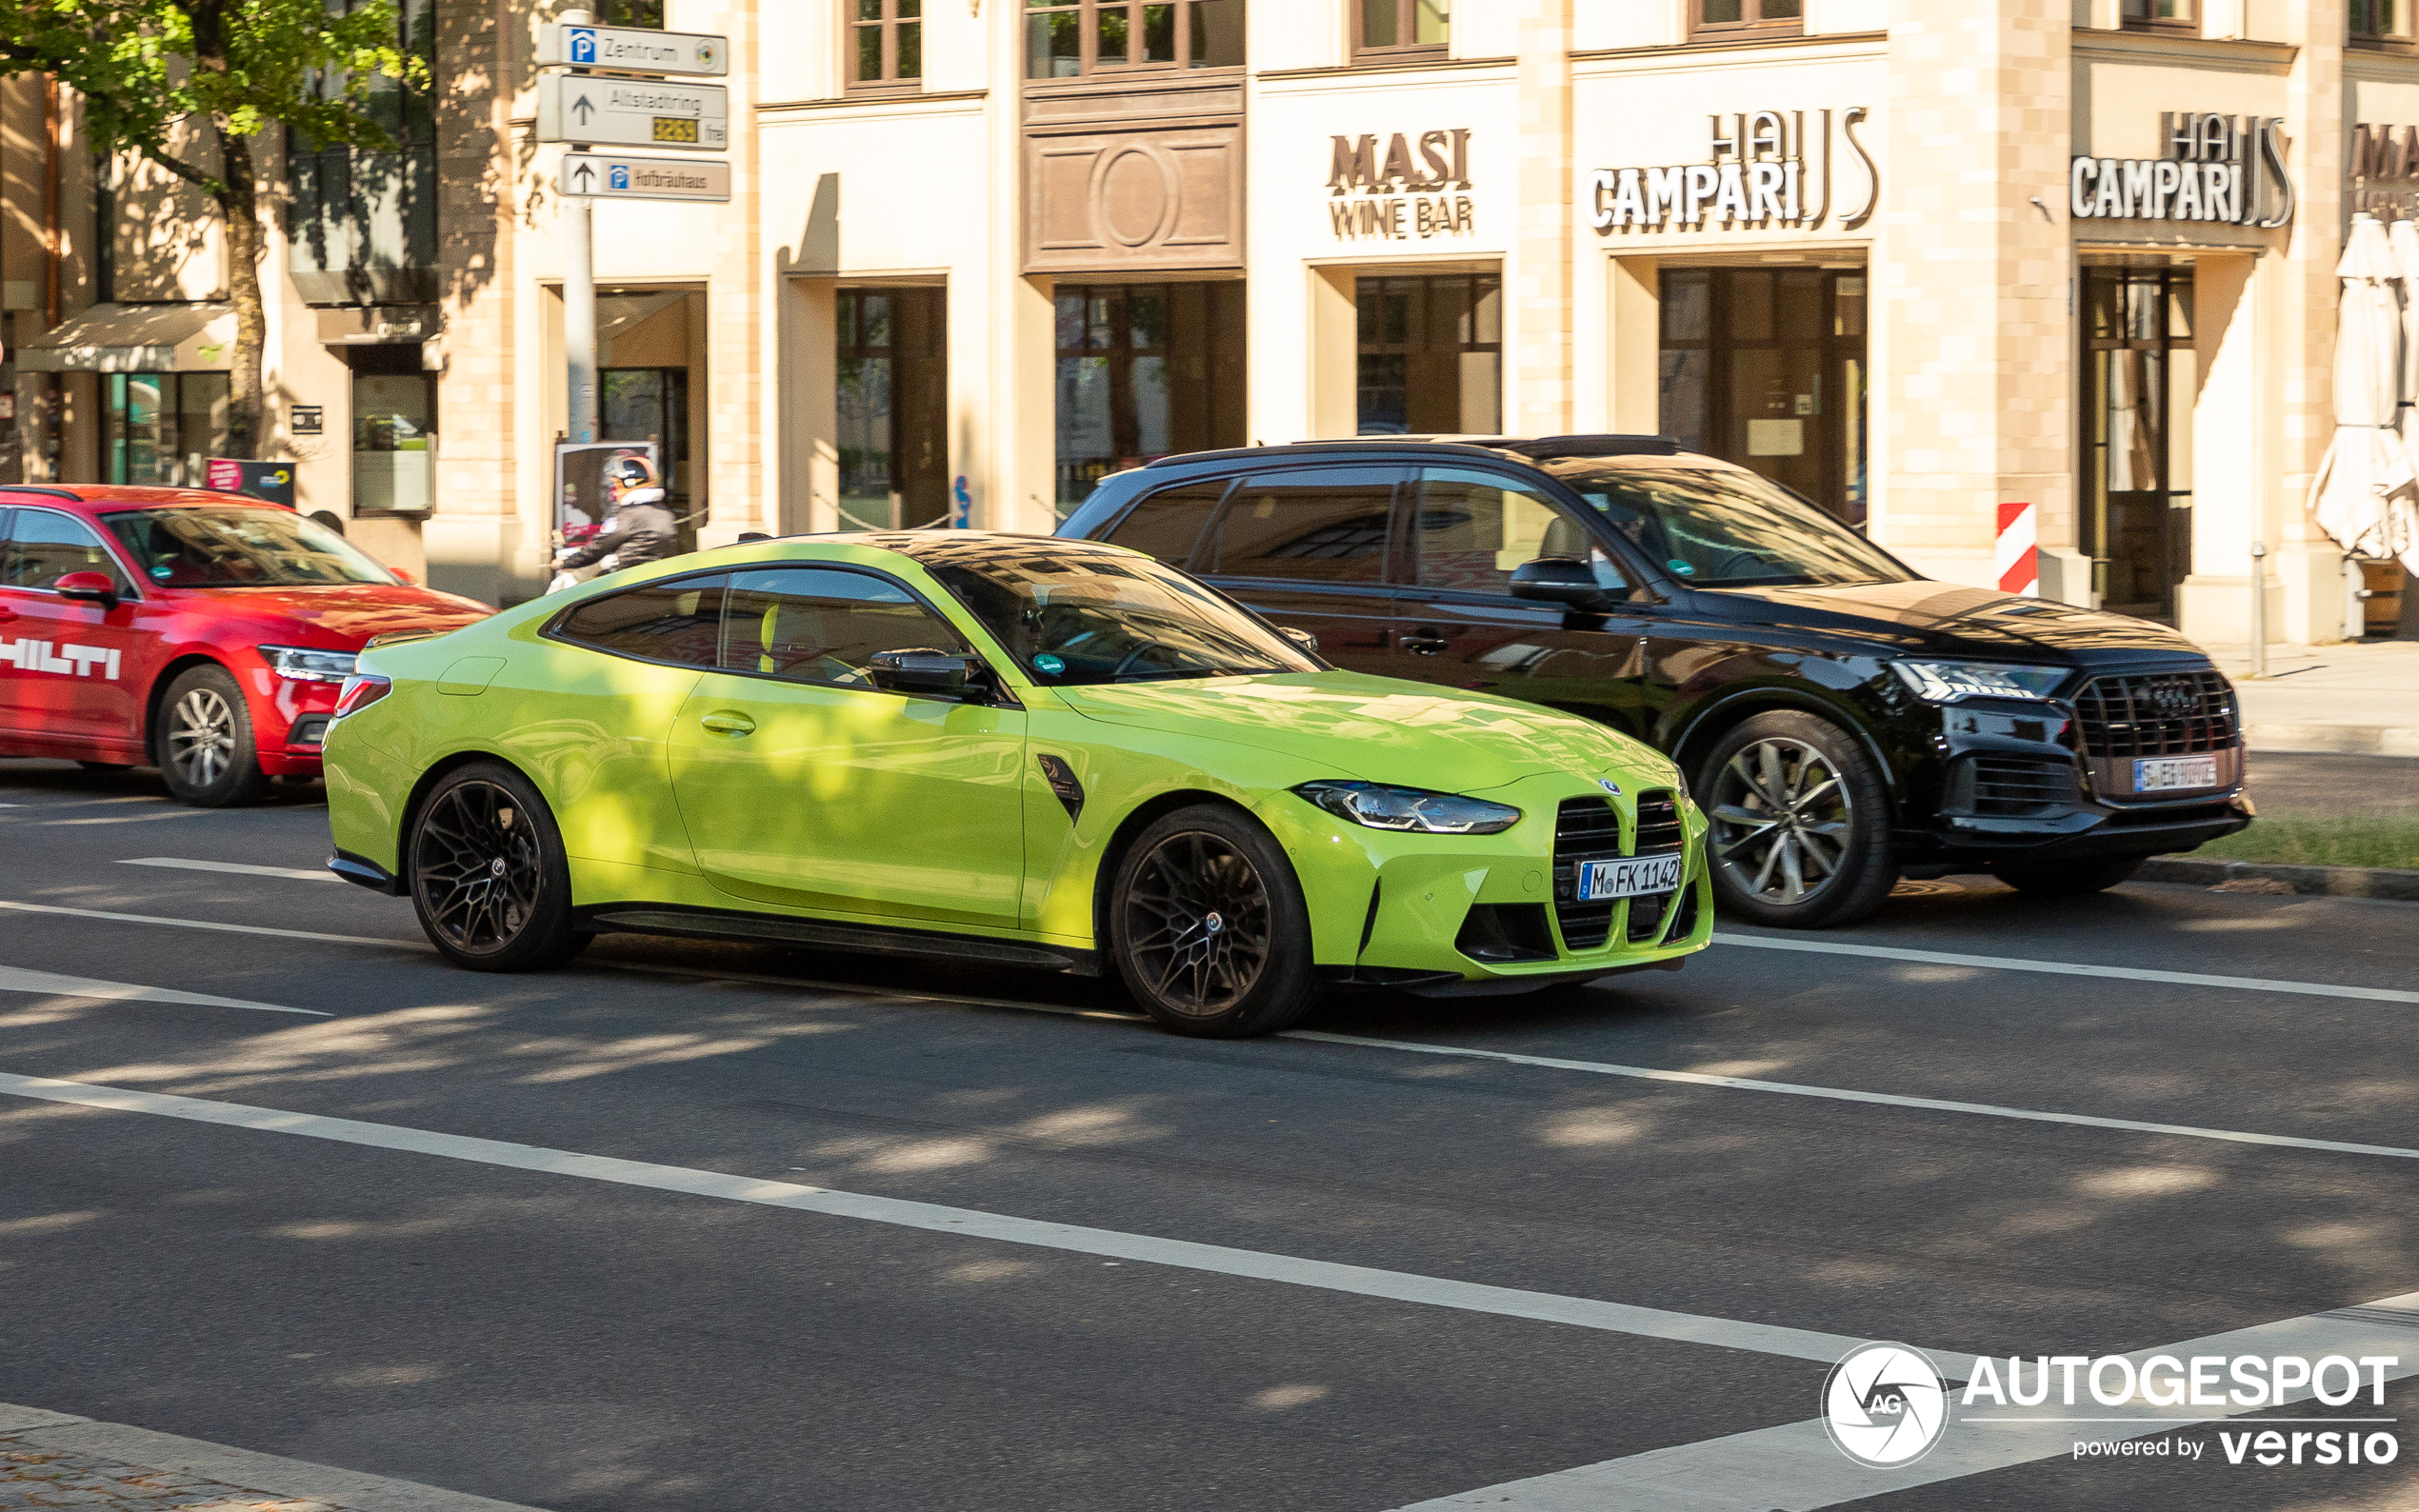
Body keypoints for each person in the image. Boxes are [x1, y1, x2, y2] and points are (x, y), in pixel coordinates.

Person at [555, 455, 676, 579]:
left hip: (628, 581)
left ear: (629, 484)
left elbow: (600, 546)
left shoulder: (628, 515)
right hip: (659, 578)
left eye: (617, 486)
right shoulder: (665, 513)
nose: (614, 493)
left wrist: (567, 562)